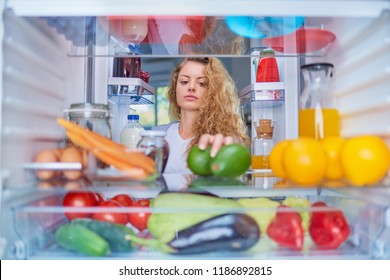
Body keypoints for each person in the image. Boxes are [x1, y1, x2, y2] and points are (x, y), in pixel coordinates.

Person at [153, 57, 249, 174]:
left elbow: (232, 184)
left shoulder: (222, 140)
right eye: (184, 82)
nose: (191, 87)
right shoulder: (159, 136)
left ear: (213, 92)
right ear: (175, 88)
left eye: (202, 83)